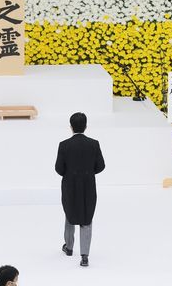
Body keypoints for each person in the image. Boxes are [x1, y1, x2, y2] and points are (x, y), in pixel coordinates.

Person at [55, 112, 105, 267]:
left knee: (69, 214)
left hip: (70, 184)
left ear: (71, 127)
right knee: (86, 217)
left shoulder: (64, 145)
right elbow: (101, 166)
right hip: (88, 185)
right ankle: (85, 256)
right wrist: (88, 173)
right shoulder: (94, 144)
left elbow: (59, 168)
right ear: (86, 126)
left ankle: (69, 247)